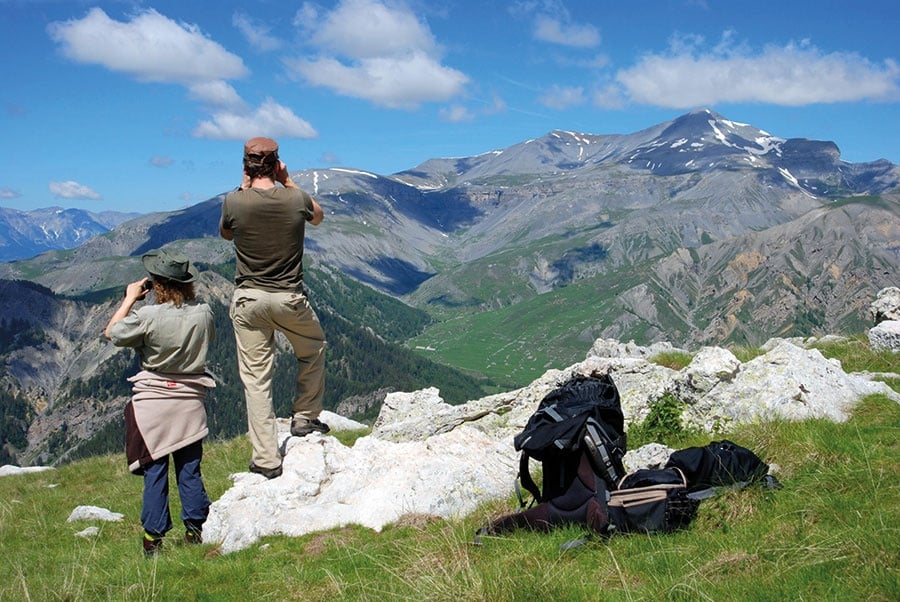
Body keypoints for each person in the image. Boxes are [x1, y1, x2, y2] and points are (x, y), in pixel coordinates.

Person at [219, 136, 327, 480]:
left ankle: (266, 459)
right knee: (314, 348)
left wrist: (243, 184)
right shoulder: (295, 198)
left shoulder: (235, 202)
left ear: (246, 165)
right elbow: (319, 217)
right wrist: (288, 180)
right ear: (277, 162)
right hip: (288, 298)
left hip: (249, 300)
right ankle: (305, 417)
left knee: (256, 379)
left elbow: (225, 234)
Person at [104, 248, 215, 557]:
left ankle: (154, 541)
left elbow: (111, 333)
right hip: (190, 402)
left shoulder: (148, 316)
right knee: (189, 470)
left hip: (152, 404)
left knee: (155, 473)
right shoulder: (204, 311)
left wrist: (130, 298)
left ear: (158, 285)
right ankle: (196, 531)